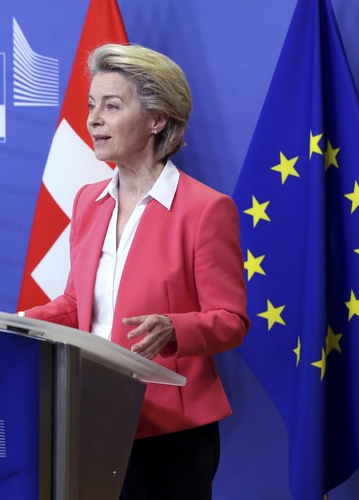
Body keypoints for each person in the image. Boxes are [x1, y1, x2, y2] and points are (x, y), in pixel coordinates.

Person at [20, 43, 249, 499]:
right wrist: (23, 325)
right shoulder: (88, 200)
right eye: (91, 106)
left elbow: (231, 321)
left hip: (170, 431)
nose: (93, 120)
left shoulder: (205, 209)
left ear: (157, 119)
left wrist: (174, 328)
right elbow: (77, 304)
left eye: (111, 106)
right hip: (90, 412)